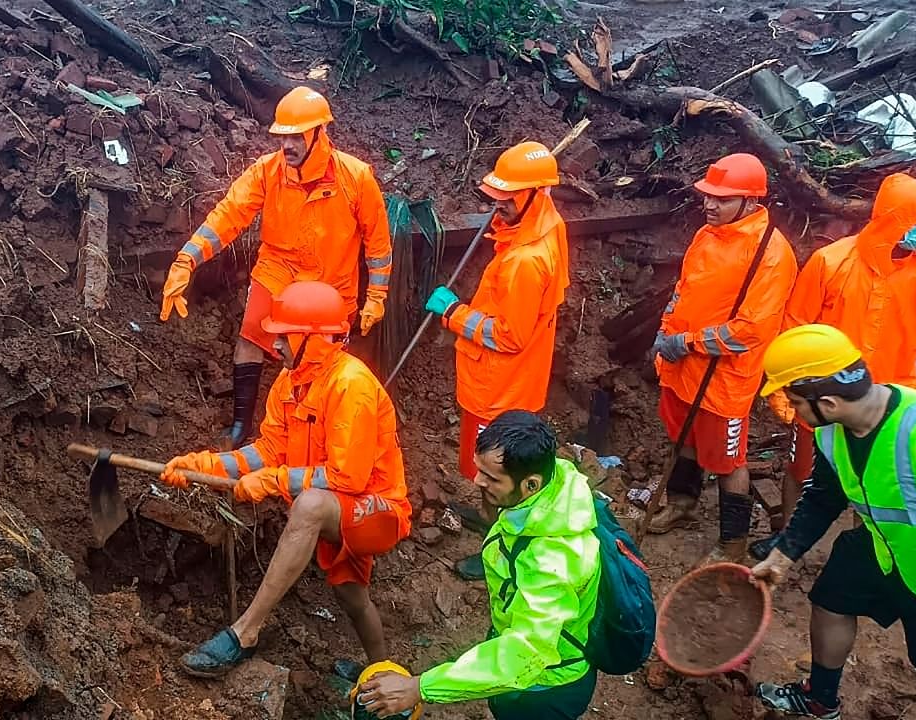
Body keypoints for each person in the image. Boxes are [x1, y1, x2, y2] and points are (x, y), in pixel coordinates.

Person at [159, 280, 411, 677]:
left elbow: (348, 475)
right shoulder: (290, 382)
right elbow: (268, 449)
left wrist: (274, 481)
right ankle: (385, 674)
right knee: (351, 595)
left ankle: (246, 632)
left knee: (309, 505)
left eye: (283, 337)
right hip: (340, 508)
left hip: (378, 510)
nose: (274, 346)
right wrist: (205, 466)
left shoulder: (351, 385)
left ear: (312, 338)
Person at [158, 86, 392, 450]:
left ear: (319, 134)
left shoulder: (357, 178)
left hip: (331, 285)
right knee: (251, 339)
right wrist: (187, 258)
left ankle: (317, 435)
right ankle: (240, 427)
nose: (288, 145)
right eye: (283, 137)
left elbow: (377, 245)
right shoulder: (267, 172)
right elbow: (228, 216)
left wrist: (376, 297)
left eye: (296, 136)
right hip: (278, 271)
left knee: (323, 362)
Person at [355, 411, 601, 719]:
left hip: (544, 687)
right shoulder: (556, 486)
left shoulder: (553, 562)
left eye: (492, 477)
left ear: (531, 485)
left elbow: (524, 654)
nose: (477, 480)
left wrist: (419, 688)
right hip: (528, 663)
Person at [752, 324, 916, 719]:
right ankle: (820, 699)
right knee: (831, 599)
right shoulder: (832, 433)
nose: (793, 411)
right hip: (881, 547)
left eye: (794, 402)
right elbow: (824, 498)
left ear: (826, 401)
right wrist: (782, 555)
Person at [751, 173, 916, 560]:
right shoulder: (830, 262)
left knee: (881, 479)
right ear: (897, 221)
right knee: (803, 470)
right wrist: (784, 389)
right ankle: (787, 541)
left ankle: (868, 551)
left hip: (889, 401)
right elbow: (795, 325)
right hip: (820, 393)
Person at [424, 141, 569, 580]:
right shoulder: (546, 226)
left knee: (495, 472)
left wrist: (453, 313)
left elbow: (507, 334)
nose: (497, 204)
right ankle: (492, 523)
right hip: (511, 382)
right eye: (496, 196)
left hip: (499, 386)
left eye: (507, 198)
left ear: (535, 194)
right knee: (494, 469)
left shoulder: (526, 261)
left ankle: (500, 555)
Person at [647, 153, 797, 564]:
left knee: (728, 462)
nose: (709, 204)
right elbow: (683, 289)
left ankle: (732, 543)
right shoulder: (708, 235)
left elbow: (751, 329)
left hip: (723, 378)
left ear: (750, 201)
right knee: (683, 439)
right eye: (708, 196)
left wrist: (690, 342)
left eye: (722, 198)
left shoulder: (771, 254)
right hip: (681, 368)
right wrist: (666, 329)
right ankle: (682, 503)